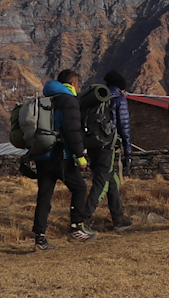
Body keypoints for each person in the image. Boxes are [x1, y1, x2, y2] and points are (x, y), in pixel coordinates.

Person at [31, 70, 96, 251]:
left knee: (44, 195)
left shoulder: (45, 99)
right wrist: (80, 157)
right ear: (74, 83)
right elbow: (73, 131)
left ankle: (39, 239)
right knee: (79, 187)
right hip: (60, 155)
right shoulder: (69, 101)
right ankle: (76, 228)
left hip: (42, 153)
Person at [81, 71, 135, 233]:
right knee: (101, 183)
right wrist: (128, 153)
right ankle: (81, 222)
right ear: (121, 87)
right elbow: (124, 128)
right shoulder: (119, 100)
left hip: (92, 144)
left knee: (111, 181)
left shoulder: (95, 98)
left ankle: (118, 220)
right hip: (107, 146)